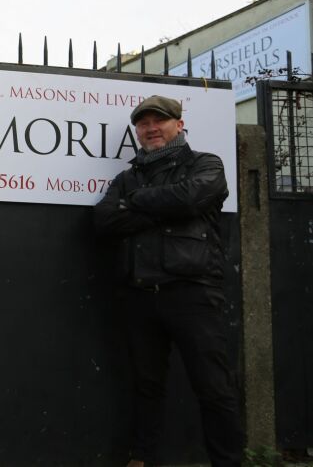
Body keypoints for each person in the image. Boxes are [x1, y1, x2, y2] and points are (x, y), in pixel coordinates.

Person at [94, 95, 242, 467]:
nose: (150, 128)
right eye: (143, 123)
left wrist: (137, 202)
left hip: (193, 292)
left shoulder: (205, 163)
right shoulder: (125, 177)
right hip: (140, 294)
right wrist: (162, 208)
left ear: (178, 123)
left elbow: (192, 198)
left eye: (158, 120)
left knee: (213, 387)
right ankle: (142, 458)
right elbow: (106, 221)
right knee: (146, 386)